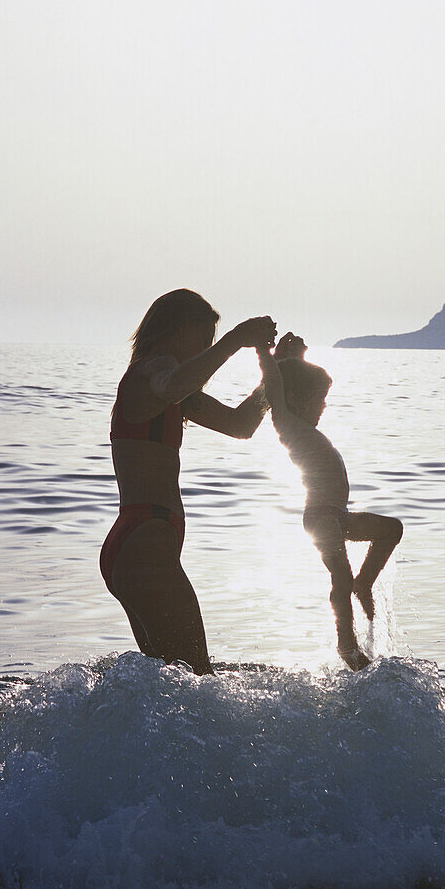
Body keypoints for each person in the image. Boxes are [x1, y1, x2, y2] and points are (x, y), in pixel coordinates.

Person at [100, 288, 276, 673]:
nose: (205, 349)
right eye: (203, 339)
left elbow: (240, 425)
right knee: (198, 675)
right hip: (145, 545)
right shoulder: (152, 370)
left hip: (136, 547)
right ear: (177, 329)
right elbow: (173, 383)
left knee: (167, 681)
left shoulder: (172, 392)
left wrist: (276, 373)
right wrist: (235, 340)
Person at [257, 346, 403, 671]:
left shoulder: (305, 427)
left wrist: (298, 356)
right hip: (320, 517)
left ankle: (364, 584)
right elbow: (277, 391)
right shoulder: (287, 424)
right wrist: (264, 352)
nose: (324, 405)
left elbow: (290, 384)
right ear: (296, 399)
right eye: (319, 398)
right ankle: (347, 645)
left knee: (392, 528)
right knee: (340, 574)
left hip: (339, 516)